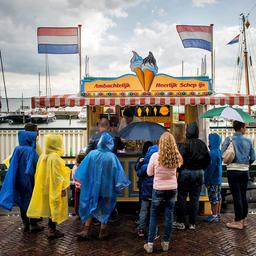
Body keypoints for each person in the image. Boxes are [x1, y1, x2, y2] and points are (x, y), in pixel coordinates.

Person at [75, 132, 130, 239]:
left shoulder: (92, 154)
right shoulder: (112, 157)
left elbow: (82, 169)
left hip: (92, 188)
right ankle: (103, 231)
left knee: (91, 206)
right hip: (107, 188)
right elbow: (118, 173)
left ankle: (86, 230)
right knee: (105, 208)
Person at [144, 132, 183, 253]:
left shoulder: (155, 156)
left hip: (158, 189)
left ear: (160, 143)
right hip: (172, 188)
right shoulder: (176, 156)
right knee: (169, 215)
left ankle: (150, 244)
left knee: (154, 215)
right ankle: (166, 243)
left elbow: (149, 173)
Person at [27, 134, 70, 239]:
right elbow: (58, 176)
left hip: (45, 186)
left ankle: (51, 228)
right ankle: (52, 230)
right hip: (54, 187)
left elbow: (38, 172)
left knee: (50, 207)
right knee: (53, 207)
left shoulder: (43, 156)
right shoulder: (55, 158)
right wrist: (63, 187)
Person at [0, 130, 43, 232]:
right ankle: (33, 224)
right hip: (29, 180)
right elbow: (37, 163)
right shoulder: (31, 151)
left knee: (23, 202)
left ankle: (25, 224)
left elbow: (11, 162)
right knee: (31, 201)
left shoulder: (17, 149)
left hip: (19, 179)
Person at [174, 122, 210, 230]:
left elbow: (180, 160)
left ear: (187, 131)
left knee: (182, 198)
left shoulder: (185, 144)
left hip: (186, 172)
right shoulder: (202, 144)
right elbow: (207, 160)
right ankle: (192, 223)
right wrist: (202, 169)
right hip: (199, 173)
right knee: (195, 198)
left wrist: (179, 170)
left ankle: (181, 221)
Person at [222, 121, 255, 229]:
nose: (245, 129)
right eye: (245, 127)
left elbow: (222, 153)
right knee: (243, 195)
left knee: (236, 196)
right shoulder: (248, 141)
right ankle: (244, 220)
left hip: (233, 171)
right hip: (245, 171)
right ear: (241, 128)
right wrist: (246, 163)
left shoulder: (229, 139)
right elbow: (253, 158)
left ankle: (238, 221)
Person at [136, 144, 158, 237]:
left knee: (143, 211)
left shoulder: (145, 166)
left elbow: (138, 172)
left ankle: (141, 229)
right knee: (154, 212)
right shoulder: (159, 164)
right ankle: (154, 231)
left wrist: (140, 163)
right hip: (156, 191)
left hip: (145, 192)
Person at [204, 133, 222, 223]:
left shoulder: (212, 153)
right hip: (218, 179)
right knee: (218, 197)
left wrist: (207, 180)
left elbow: (211, 168)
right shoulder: (218, 151)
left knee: (213, 198)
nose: (209, 142)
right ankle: (217, 214)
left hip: (212, 180)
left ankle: (214, 215)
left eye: (210, 140)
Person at [72, 150, 87, 217]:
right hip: (84, 187)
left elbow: (73, 176)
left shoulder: (75, 167)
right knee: (83, 200)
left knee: (77, 200)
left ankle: (77, 212)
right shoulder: (84, 167)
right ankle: (83, 212)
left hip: (77, 187)